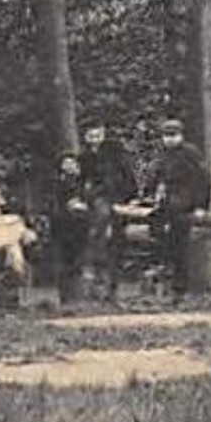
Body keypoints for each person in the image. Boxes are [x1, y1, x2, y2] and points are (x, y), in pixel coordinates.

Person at [149, 119, 211, 301]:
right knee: (155, 221)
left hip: (187, 197)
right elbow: (157, 176)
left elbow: (203, 180)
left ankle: (180, 288)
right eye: (166, 136)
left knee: (179, 240)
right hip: (169, 197)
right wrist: (155, 191)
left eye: (173, 135)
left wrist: (201, 206)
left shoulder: (190, 153)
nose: (169, 140)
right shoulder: (163, 155)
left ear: (181, 136)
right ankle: (162, 259)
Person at [80, 122, 135, 301]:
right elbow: (83, 181)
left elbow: (126, 175)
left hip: (116, 197)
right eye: (91, 136)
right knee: (99, 229)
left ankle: (112, 287)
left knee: (116, 242)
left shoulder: (114, 153)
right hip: (97, 199)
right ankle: (96, 279)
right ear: (86, 138)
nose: (95, 140)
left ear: (103, 135)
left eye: (98, 135)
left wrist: (128, 196)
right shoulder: (84, 157)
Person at [48, 152, 91, 303]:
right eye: (66, 163)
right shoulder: (56, 183)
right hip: (62, 225)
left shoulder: (84, 182)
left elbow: (89, 199)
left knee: (78, 261)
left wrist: (83, 205)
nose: (69, 166)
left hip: (80, 226)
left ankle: (78, 295)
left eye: (72, 163)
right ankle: (65, 297)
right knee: (63, 261)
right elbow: (54, 203)